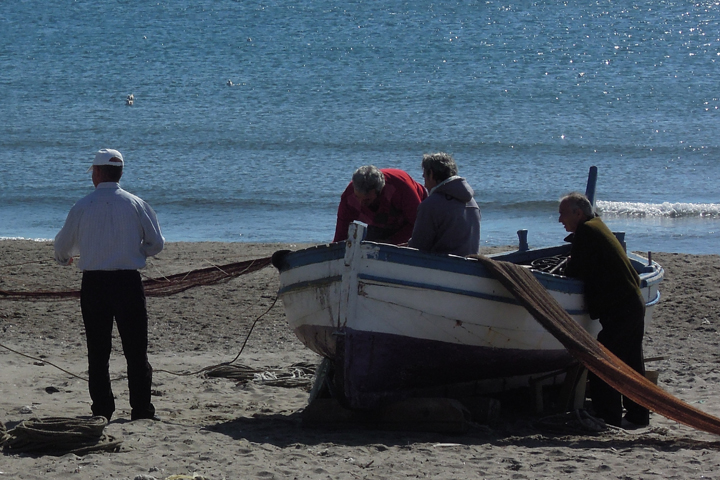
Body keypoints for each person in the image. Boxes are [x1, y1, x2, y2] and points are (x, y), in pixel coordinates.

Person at [54, 148, 165, 422]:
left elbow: (61, 246)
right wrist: (136, 252)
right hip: (128, 281)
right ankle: (141, 409)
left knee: (98, 349)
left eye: (93, 171)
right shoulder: (136, 204)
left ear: (99, 172)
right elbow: (156, 243)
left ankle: (102, 409)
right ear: (119, 172)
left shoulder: (82, 206)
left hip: (95, 283)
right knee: (136, 349)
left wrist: (64, 258)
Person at [558, 192, 649, 428]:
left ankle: (608, 416)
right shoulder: (598, 225)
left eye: (563, 214)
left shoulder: (587, 232)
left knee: (603, 362)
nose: (560, 220)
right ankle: (638, 415)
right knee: (630, 364)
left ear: (578, 213)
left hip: (620, 307)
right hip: (633, 302)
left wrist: (568, 264)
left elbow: (574, 272)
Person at [408, 152, 481, 256]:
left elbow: (418, 247)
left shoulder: (430, 205)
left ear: (431, 174)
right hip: (470, 264)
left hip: (442, 266)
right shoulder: (473, 203)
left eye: (424, 177)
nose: (424, 185)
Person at [333, 165, 427, 244]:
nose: (361, 204)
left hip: (412, 218)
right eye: (357, 197)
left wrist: (392, 242)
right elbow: (340, 235)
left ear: (379, 191)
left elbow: (419, 225)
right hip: (379, 222)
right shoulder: (348, 197)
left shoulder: (401, 188)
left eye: (367, 200)